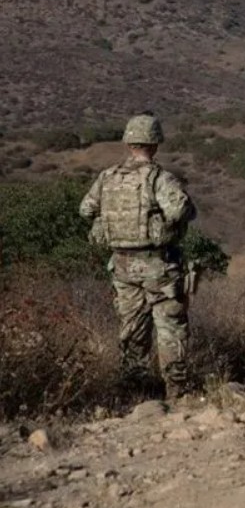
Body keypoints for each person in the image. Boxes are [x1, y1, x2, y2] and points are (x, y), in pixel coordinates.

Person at [80, 113, 197, 399]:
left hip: (120, 264)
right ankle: (177, 392)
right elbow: (180, 210)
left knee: (132, 328)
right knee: (169, 326)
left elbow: (86, 209)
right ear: (155, 144)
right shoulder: (159, 178)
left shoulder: (107, 177)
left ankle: (134, 393)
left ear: (128, 142)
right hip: (158, 264)